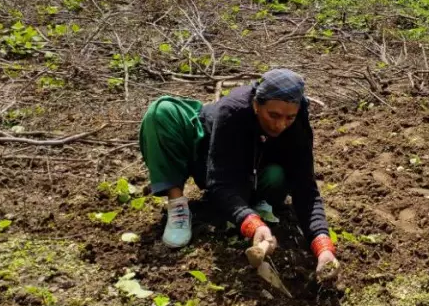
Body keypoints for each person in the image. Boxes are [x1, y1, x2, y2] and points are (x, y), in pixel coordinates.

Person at [137, 69, 338, 276]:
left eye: (290, 117)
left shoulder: (298, 123)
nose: (280, 125)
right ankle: (178, 205)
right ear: (256, 105)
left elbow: (306, 189)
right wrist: (251, 224)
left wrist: (323, 246)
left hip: (253, 171)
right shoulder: (232, 110)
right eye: (273, 115)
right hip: (211, 160)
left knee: (277, 176)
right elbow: (219, 182)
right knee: (162, 110)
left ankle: (249, 204)